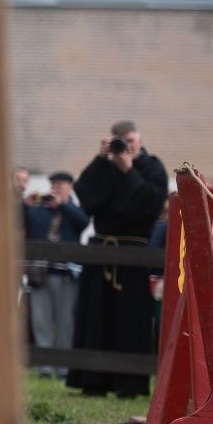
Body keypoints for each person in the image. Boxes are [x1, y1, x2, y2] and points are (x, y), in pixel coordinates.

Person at [71, 119, 168, 397]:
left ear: (139, 141)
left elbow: (149, 207)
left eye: (131, 142)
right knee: (95, 319)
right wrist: (100, 161)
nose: (126, 147)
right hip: (102, 251)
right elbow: (87, 200)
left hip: (133, 254)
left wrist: (129, 171)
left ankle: (129, 383)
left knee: (130, 322)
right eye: (121, 142)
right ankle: (93, 380)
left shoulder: (152, 168)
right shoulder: (105, 166)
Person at [21, 169, 87, 354]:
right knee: (41, 319)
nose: (56, 189)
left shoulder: (74, 209)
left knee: (65, 320)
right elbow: (22, 222)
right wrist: (25, 205)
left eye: (60, 185)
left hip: (66, 274)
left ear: (70, 188)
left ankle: (64, 364)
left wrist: (63, 205)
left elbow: (83, 223)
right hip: (40, 273)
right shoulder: (40, 209)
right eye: (53, 185)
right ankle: (45, 366)